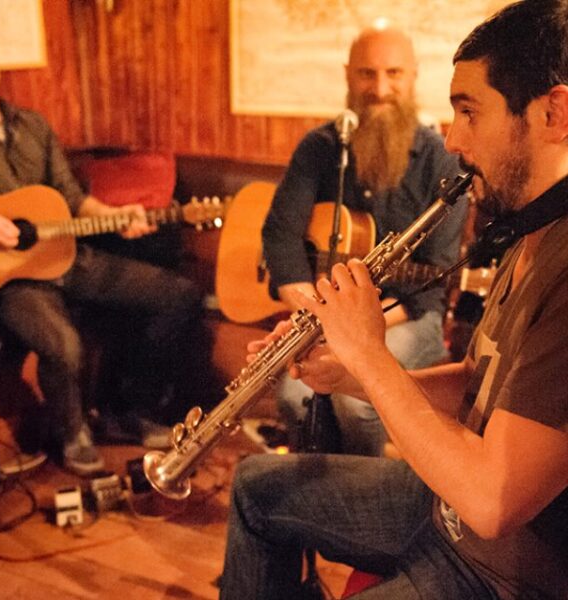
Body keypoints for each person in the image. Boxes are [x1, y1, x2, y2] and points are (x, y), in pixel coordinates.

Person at [220, 0, 568, 597]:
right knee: (255, 485)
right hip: (443, 510)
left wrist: (372, 357)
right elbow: (478, 382)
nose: (455, 139)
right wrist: (346, 371)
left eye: (469, 112)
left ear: (553, 113)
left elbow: (492, 501)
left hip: (499, 569)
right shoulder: (527, 226)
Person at [0, 22, 205, 476]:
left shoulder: (33, 125)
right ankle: (72, 431)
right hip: (8, 277)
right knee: (65, 345)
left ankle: (129, 409)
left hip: (67, 255)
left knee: (178, 295)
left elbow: (72, 199)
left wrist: (120, 217)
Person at [262, 23, 468, 455]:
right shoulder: (320, 148)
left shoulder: (442, 159)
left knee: (355, 405)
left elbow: (426, 284)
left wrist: (348, 330)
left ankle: (372, 491)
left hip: (407, 318)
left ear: (413, 77)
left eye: (393, 73)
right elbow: (281, 236)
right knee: (292, 396)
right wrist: (319, 319)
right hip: (328, 319)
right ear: (347, 75)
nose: (379, 88)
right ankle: (312, 495)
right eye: (366, 74)